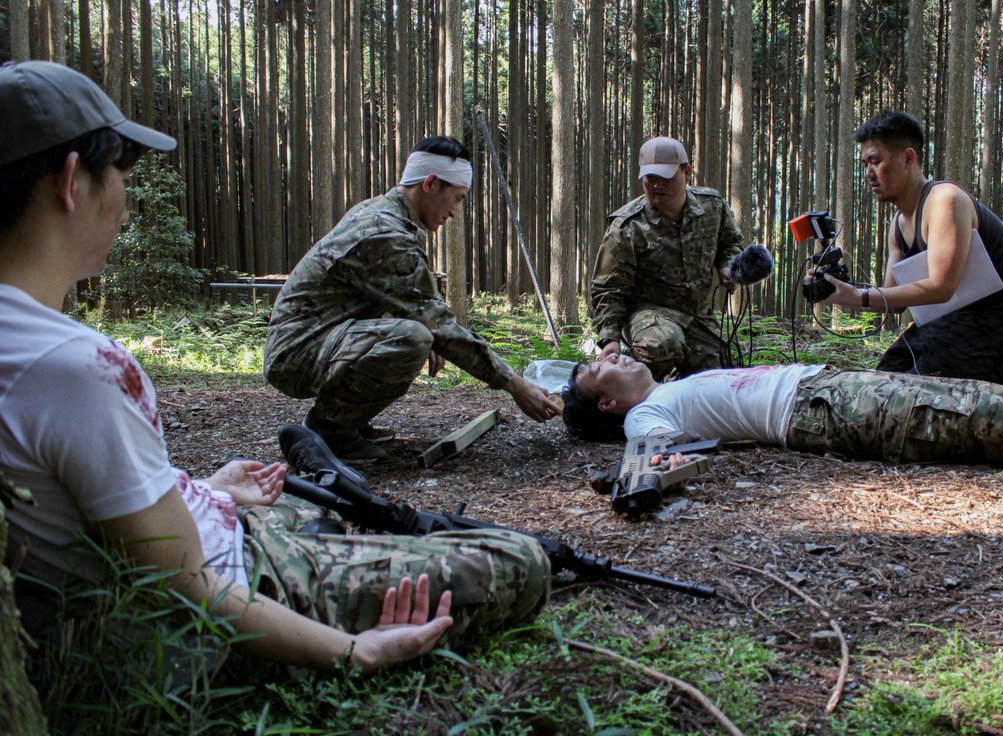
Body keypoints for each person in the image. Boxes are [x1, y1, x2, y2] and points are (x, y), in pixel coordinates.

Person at [0, 61, 549, 674]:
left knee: (310, 497)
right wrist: (349, 652)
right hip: (250, 564)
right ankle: (333, 440)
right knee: (520, 559)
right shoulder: (80, 368)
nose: (125, 206)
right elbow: (190, 584)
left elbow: (107, 508)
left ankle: (327, 460)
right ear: (72, 181)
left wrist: (207, 491)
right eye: (122, 176)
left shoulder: (27, 348)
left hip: (222, 517)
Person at [263, 135, 561, 461]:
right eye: (458, 199)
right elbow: (436, 322)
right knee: (412, 337)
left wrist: (432, 331)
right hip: (296, 352)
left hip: (317, 338)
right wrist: (515, 385)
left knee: (418, 334)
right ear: (431, 183)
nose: (455, 211)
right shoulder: (386, 233)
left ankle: (349, 422)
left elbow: (419, 297)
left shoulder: (387, 214)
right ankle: (330, 432)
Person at [560, 354, 1003, 488]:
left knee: (985, 398)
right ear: (610, 406)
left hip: (830, 388)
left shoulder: (672, 384)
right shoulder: (648, 412)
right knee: (982, 415)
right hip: (823, 410)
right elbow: (645, 464)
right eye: (598, 369)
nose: (609, 354)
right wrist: (634, 479)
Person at [818, 111, 1003, 388]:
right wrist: (840, 291)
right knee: (885, 376)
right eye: (864, 164)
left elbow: (942, 286)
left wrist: (859, 296)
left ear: (908, 158)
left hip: (993, 316)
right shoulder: (898, 224)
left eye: (876, 161)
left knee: (919, 389)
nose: (869, 174)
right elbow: (894, 302)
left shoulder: (945, 200)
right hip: (947, 319)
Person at [589, 136, 745, 382]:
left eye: (665, 177)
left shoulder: (712, 208)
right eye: (650, 178)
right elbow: (608, 288)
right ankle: (645, 398)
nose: (656, 185)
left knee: (724, 374)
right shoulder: (628, 226)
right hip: (648, 314)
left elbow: (731, 243)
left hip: (698, 316)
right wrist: (610, 339)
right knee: (660, 344)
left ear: (687, 173)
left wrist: (728, 266)